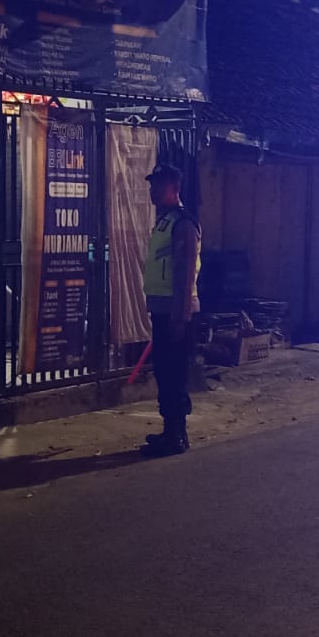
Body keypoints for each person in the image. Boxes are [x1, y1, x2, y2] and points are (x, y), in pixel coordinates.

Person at [141, 164, 201, 457]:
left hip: (176, 314)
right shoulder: (165, 223)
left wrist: (180, 317)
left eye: (159, 186)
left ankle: (176, 435)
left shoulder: (182, 224)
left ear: (174, 189)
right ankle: (171, 431)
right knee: (165, 372)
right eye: (152, 185)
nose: (153, 191)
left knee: (174, 374)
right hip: (164, 311)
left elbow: (185, 275)